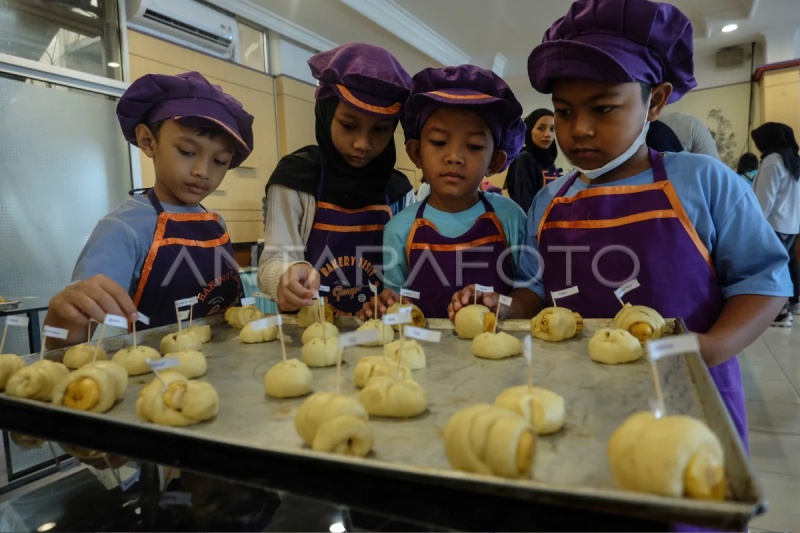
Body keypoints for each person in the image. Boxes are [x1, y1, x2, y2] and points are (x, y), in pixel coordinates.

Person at [451, 0, 791, 452]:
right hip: (573, 393)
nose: (580, 130)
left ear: (655, 101)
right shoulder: (550, 200)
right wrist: (506, 306)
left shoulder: (702, 181)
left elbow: (764, 281)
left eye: (604, 109)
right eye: (566, 112)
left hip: (685, 396)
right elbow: (536, 290)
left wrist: (710, 348)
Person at [45, 72, 255, 347]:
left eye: (219, 160)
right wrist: (64, 315)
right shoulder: (123, 228)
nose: (203, 171)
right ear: (148, 141)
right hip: (157, 377)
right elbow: (64, 342)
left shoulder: (216, 222)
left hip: (229, 367)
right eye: (187, 151)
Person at [357, 65, 527, 319]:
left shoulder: (510, 216)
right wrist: (384, 306)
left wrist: (502, 304)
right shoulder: (399, 228)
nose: (454, 157)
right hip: (423, 356)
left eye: (473, 146)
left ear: (495, 161)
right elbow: (397, 303)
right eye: (438, 142)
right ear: (416, 153)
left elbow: (531, 292)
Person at [257, 43, 415, 316]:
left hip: (380, 336)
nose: (362, 143)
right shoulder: (295, 178)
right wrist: (285, 275)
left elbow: (406, 270)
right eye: (348, 125)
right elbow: (274, 258)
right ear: (326, 113)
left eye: (380, 130)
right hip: (309, 335)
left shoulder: (399, 191)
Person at [751, 122, 800, 324]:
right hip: (791, 224)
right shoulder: (793, 161)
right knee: (788, 266)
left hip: (773, 224)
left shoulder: (773, 161)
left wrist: (754, 225)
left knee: (771, 270)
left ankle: (780, 313)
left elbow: (765, 199)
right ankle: (794, 303)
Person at [504, 109, 559, 212]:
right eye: (541, 128)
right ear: (529, 130)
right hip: (534, 224)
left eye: (552, 129)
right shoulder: (525, 159)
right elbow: (524, 203)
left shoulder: (549, 162)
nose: (548, 134)